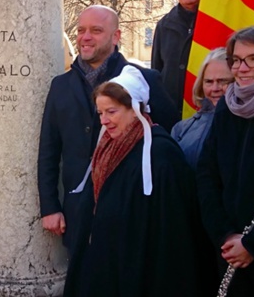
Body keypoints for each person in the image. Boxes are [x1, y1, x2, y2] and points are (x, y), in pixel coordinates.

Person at [63, 65, 216, 296]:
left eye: (112, 112)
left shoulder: (162, 154)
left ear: (135, 109)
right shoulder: (107, 146)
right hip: (104, 262)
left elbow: (172, 230)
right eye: (101, 113)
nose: (104, 121)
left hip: (139, 267)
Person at [38, 5, 178, 256]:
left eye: (96, 30)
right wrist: (49, 206)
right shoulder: (60, 85)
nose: (85, 37)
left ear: (116, 36)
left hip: (132, 212)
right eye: (81, 30)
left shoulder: (144, 80)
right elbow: (49, 149)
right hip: (78, 213)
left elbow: (167, 141)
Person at [197, 24, 254, 296]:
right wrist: (226, 235)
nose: (242, 68)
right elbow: (207, 176)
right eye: (236, 60)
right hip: (230, 252)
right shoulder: (227, 108)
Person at [151, 0, 206, 116]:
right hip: (171, 117)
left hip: (209, 116)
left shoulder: (219, 21)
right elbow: (157, 74)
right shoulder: (164, 25)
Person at [171, 48, 233, 169]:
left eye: (223, 81)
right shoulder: (181, 129)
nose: (215, 88)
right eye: (209, 82)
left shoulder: (249, 126)